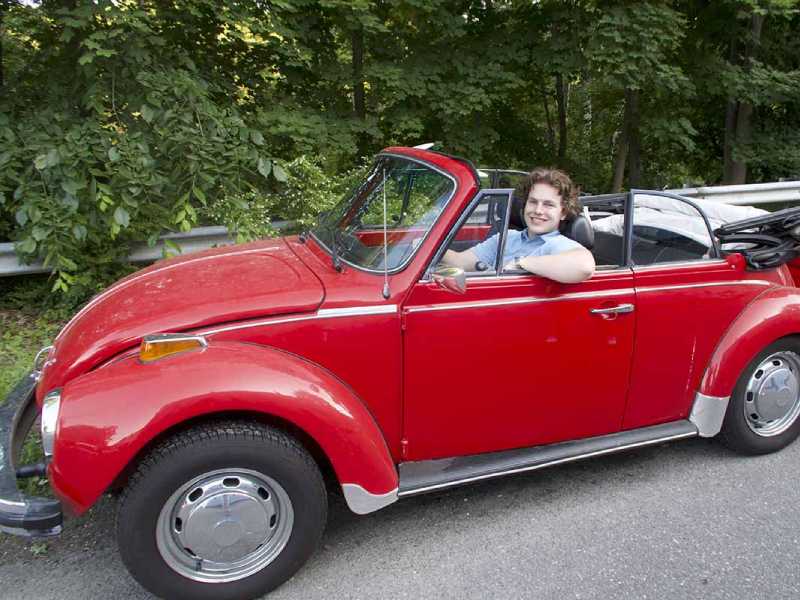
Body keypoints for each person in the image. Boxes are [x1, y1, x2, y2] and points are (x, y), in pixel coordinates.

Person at [441, 167, 595, 283]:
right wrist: (426, 249)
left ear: (563, 213)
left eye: (548, 205)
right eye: (533, 202)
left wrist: (520, 263)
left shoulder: (558, 245)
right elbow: (460, 261)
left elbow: (584, 266)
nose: (538, 210)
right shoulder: (507, 237)